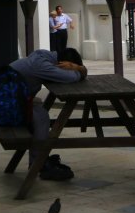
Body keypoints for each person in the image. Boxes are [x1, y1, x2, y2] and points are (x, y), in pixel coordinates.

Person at [9, 47, 87, 181]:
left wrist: (76, 67)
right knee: (42, 118)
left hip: (4, 100)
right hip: (3, 106)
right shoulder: (43, 66)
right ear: (62, 64)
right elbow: (73, 77)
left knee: (39, 111)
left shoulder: (42, 56)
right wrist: (78, 69)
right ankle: (37, 164)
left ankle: (38, 158)